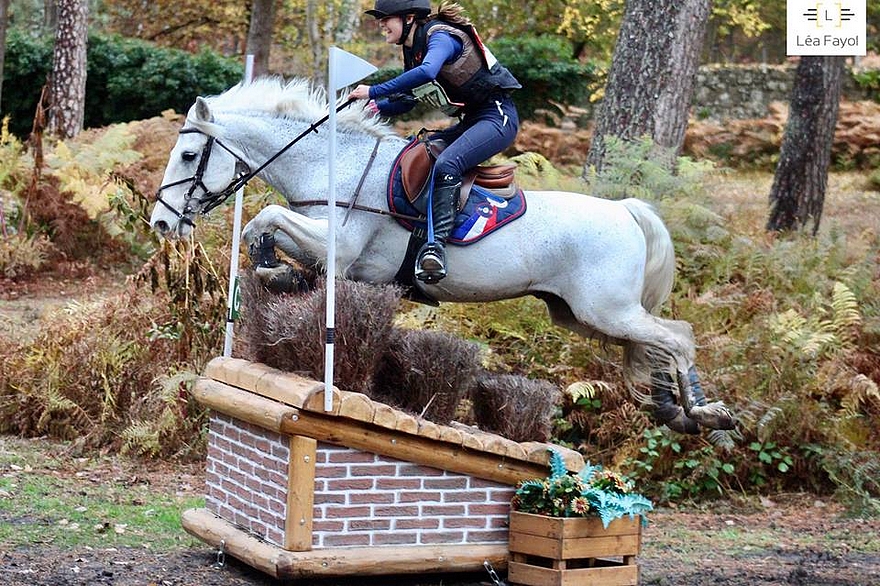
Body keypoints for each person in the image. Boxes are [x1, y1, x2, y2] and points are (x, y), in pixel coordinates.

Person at [349, 0, 520, 284]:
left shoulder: (439, 36)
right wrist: (373, 107)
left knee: (448, 163)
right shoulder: (412, 48)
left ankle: (435, 247)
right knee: (416, 151)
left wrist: (373, 90)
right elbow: (407, 99)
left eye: (386, 18)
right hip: (472, 120)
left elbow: (427, 73)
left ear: (410, 18)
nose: (381, 25)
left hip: (497, 117)